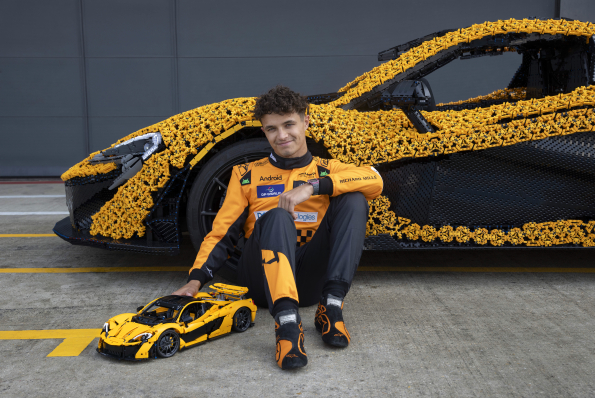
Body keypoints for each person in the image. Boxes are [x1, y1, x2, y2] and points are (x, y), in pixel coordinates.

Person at [173, 85, 383, 369]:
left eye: (288, 124)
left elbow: (374, 179)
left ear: (305, 121)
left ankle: (331, 308)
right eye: (271, 129)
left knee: (355, 199)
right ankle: (286, 326)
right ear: (264, 132)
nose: (281, 136)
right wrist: (194, 281)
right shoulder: (245, 175)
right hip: (261, 283)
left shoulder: (327, 170)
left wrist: (313, 187)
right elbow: (221, 233)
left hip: (308, 280)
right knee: (276, 216)